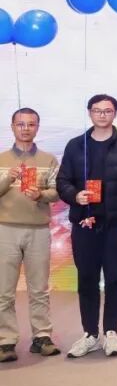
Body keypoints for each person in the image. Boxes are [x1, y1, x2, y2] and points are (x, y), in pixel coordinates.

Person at [57, 94, 117, 358]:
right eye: (97, 110)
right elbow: (63, 181)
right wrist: (75, 196)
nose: (102, 115)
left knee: (115, 279)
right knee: (87, 279)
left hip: (116, 225)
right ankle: (90, 334)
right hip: (84, 224)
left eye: (107, 110)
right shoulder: (76, 145)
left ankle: (111, 332)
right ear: (89, 113)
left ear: (115, 113)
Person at [0, 108, 61, 361]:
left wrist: (41, 195)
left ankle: (42, 336)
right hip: (6, 229)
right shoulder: (2, 159)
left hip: (38, 229)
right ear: (12, 126)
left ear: (37, 127)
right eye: (21, 124)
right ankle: (6, 340)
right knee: (4, 289)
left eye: (31, 124)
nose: (26, 129)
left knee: (39, 288)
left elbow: (57, 192)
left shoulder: (49, 159)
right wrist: (7, 178)